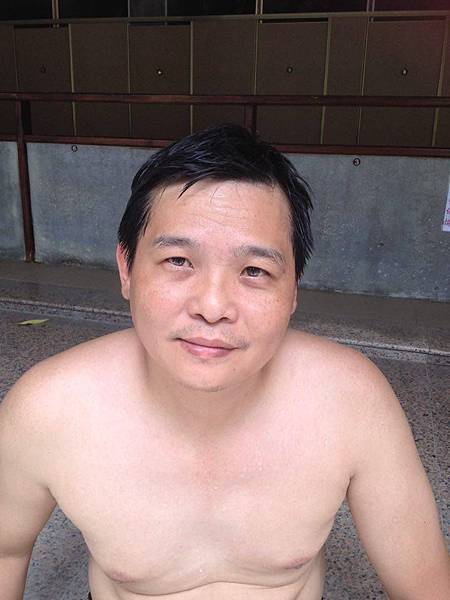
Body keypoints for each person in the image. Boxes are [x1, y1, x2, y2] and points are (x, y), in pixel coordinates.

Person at [0, 124, 448, 600]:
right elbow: (6, 552)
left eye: (254, 270)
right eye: (178, 261)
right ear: (127, 268)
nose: (212, 307)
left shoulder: (351, 399)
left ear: (293, 289)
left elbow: (426, 584)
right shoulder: (49, 408)